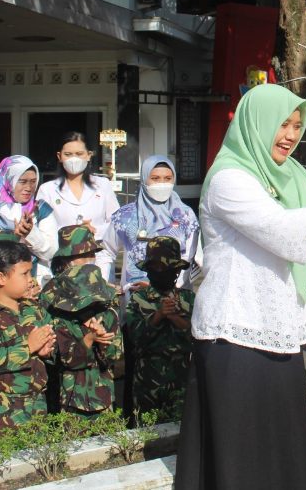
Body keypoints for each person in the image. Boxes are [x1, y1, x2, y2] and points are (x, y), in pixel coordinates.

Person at [174, 83, 306, 490]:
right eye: (281, 124)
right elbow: (281, 230)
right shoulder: (228, 180)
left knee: (282, 451)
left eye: (296, 125)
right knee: (242, 457)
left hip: (279, 331)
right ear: (255, 124)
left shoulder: (292, 176)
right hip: (234, 334)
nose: (290, 135)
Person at [0, 240, 56, 428]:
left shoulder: (33, 310)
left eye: (30, 272)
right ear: (1, 278)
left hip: (37, 401)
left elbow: (52, 343)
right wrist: (29, 347)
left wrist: (47, 352)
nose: (30, 280)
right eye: (24, 274)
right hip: (2, 408)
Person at [39, 259, 122, 418]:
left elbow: (115, 355)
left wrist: (103, 343)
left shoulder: (108, 315)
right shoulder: (63, 321)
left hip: (104, 396)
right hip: (73, 400)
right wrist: (89, 339)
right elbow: (69, 360)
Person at [103, 155, 198, 292]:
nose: (162, 183)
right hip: (134, 296)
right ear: (144, 179)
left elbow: (189, 257)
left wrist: (173, 287)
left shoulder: (185, 216)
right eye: (155, 178)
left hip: (175, 298)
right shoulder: (125, 216)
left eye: (167, 179)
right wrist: (105, 283)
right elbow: (107, 251)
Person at [125, 236, 194, 418]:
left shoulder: (188, 299)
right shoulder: (138, 300)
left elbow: (196, 337)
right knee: (147, 434)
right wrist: (158, 315)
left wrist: (174, 317)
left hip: (181, 377)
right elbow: (135, 338)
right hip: (148, 380)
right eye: (155, 267)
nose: (161, 272)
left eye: (166, 268)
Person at [37, 132, 119, 273]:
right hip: (63, 260)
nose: (74, 159)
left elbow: (116, 222)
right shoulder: (47, 190)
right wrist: (76, 233)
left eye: (79, 153)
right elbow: (43, 229)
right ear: (59, 157)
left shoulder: (103, 185)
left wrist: (94, 231)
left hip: (98, 257)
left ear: (89, 155)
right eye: (68, 154)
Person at [0, 155, 59, 284]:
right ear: (7, 180)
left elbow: (51, 252)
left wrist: (31, 234)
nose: (29, 187)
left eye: (33, 181)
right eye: (22, 181)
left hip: (36, 285)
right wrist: (14, 239)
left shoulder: (41, 210)